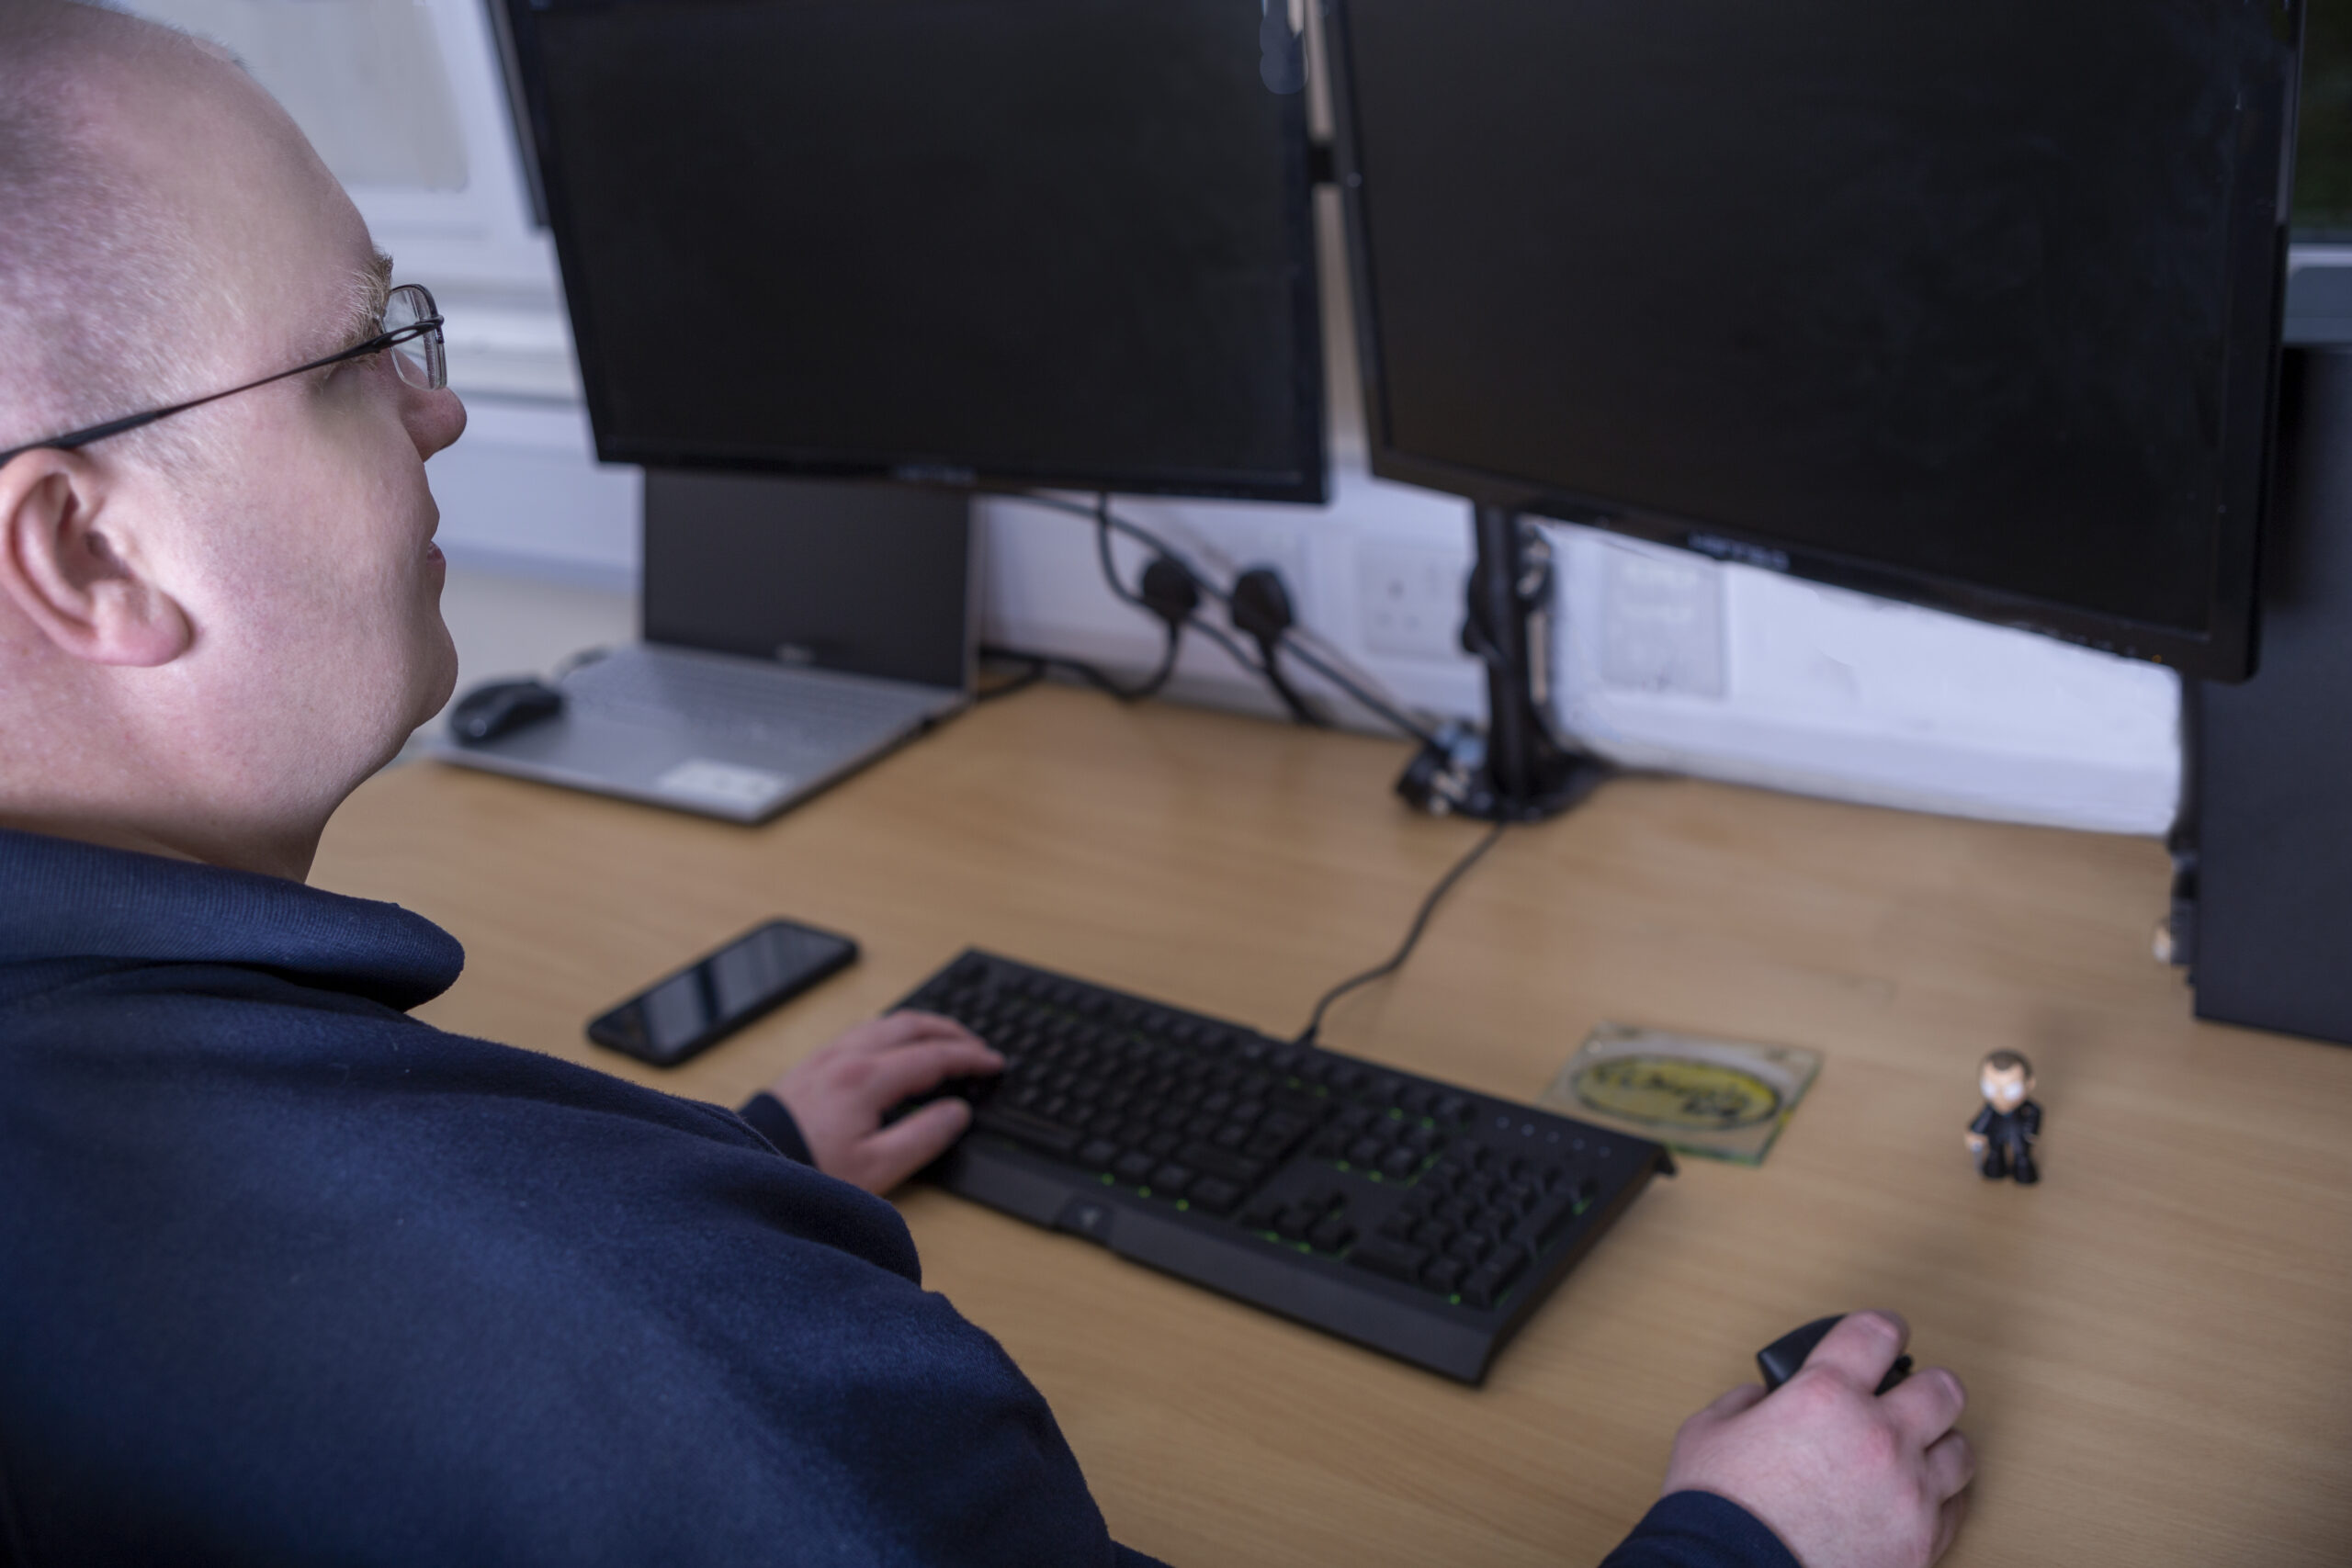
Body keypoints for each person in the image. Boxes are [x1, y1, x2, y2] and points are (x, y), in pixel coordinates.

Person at [0, 4, 1973, 1562]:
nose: (438, 404)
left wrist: (740, 1166)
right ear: (86, 553)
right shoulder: (647, 1336)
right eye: (358, 354)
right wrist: (1746, 1536)